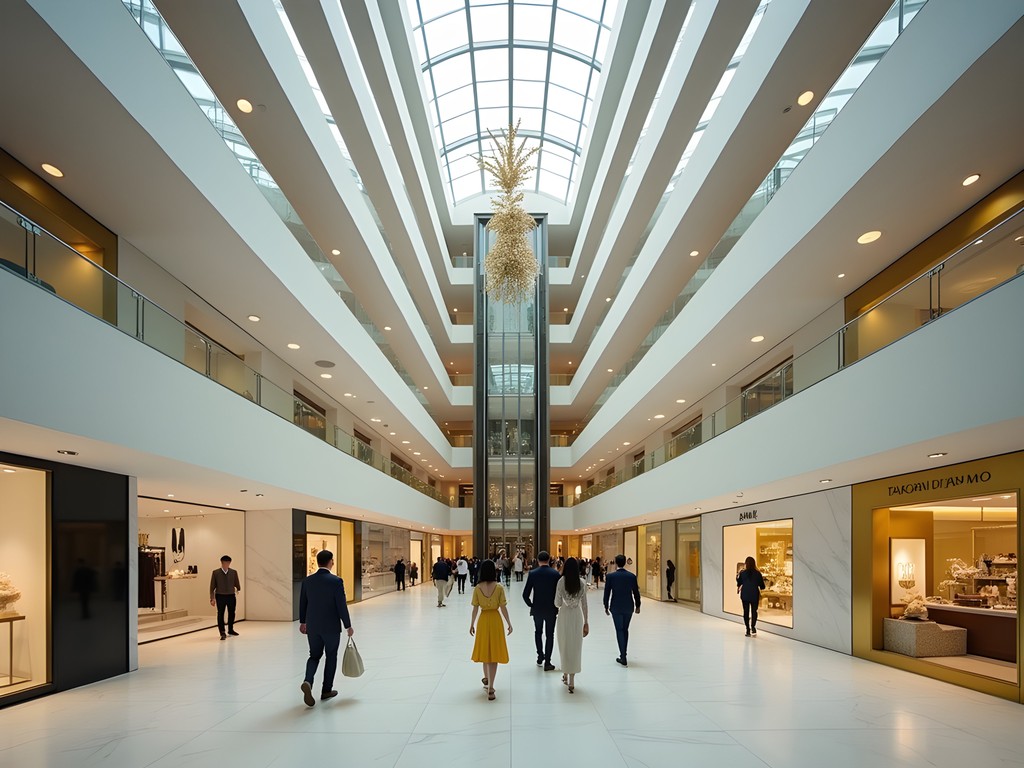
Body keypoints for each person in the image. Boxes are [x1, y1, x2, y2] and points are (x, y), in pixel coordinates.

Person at [298, 549, 353, 707]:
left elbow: (303, 603)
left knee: (314, 656)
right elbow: (341, 605)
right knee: (331, 656)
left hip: (313, 626)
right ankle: (326, 690)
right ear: (331, 561)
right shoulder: (336, 581)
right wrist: (348, 625)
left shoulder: (307, 581)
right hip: (331, 627)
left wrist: (303, 622)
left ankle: (308, 681)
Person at [469, 559, 513, 701]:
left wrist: (472, 624)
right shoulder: (499, 588)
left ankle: (486, 678)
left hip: (483, 620)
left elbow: (475, 608)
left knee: (485, 650)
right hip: (495, 620)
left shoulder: (477, 588)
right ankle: (491, 687)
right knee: (494, 652)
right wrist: (509, 623)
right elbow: (503, 607)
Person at [554, 557, 589, 694]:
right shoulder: (582, 583)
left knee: (564, 645)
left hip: (564, 616)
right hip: (577, 616)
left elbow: (557, 603)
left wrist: (563, 602)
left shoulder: (561, 582)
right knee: (575, 646)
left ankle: (565, 674)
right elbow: (585, 604)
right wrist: (586, 622)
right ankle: (572, 680)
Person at [522, 550, 560, 671]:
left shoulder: (533, 573)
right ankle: (548, 662)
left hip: (537, 609)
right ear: (549, 560)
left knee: (538, 632)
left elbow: (525, 594)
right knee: (550, 635)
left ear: (538, 561)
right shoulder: (555, 574)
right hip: (551, 609)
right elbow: (559, 593)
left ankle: (540, 656)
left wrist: (531, 605)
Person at [603, 554, 641, 666]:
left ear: (615, 562)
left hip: (616, 606)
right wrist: (638, 605)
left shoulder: (611, 576)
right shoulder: (631, 576)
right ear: (624, 562)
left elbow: (607, 592)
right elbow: (636, 592)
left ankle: (623, 655)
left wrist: (606, 605)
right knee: (625, 629)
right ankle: (624, 654)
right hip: (628, 606)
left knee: (619, 629)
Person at [209, 555, 241, 640]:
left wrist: (238, 589)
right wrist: (212, 598)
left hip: (231, 596)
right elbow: (212, 587)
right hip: (220, 596)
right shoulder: (216, 573)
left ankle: (230, 629)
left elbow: (237, 583)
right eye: (225, 563)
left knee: (232, 613)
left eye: (228, 563)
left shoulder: (233, 572)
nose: (227, 564)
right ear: (222, 563)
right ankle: (222, 632)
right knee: (220, 614)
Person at [736, 556, 767, 637]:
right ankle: (753, 627)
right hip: (754, 595)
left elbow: (739, 583)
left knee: (746, 612)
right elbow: (763, 586)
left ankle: (747, 629)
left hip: (745, 595)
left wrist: (738, 576)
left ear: (746, 564)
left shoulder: (742, 573)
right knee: (754, 611)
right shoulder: (758, 573)